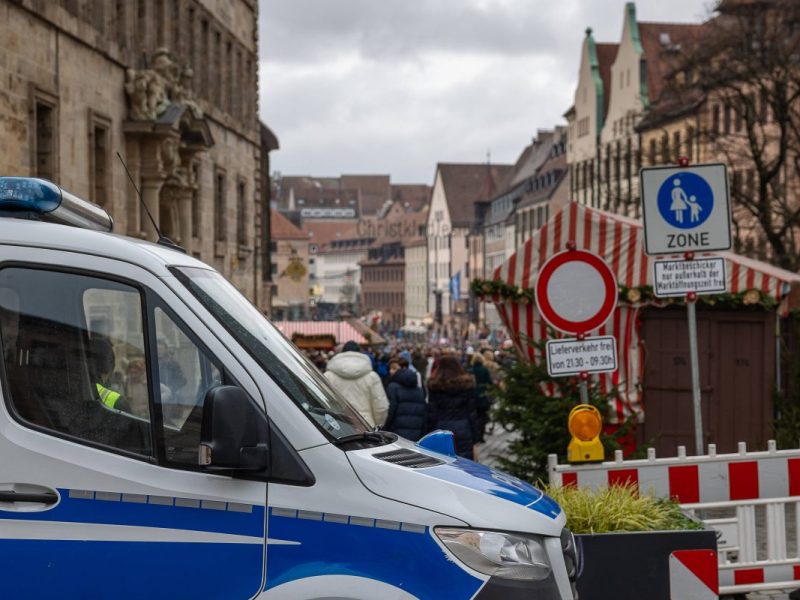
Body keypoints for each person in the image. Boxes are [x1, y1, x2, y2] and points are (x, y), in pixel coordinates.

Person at [324, 340, 389, 428]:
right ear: (359, 353)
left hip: (336, 425)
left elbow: (322, 402)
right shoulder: (372, 377)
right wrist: (377, 425)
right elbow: (381, 407)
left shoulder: (328, 376)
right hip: (365, 425)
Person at [427, 356, 478, 460]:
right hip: (464, 429)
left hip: (441, 430)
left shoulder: (435, 386)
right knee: (465, 464)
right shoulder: (467, 385)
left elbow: (432, 413)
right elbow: (472, 412)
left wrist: (428, 431)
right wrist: (475, 437)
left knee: (442, 462)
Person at [384, 358, 427, 441]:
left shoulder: (392, 387)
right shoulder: (418, 388)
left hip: (397, 431)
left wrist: (386, 428)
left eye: (394, 368)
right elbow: (424, 410)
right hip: (416, 431)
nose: (390, 371)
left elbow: (391, 410)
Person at [468, 353, 493, 443]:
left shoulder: (470, 370)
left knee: (474, 417)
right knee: (482, 417)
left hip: (472, 397)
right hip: (483, 396)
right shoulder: (485, 369)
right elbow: (489, 382)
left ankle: (475, 435)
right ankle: (481, 437)